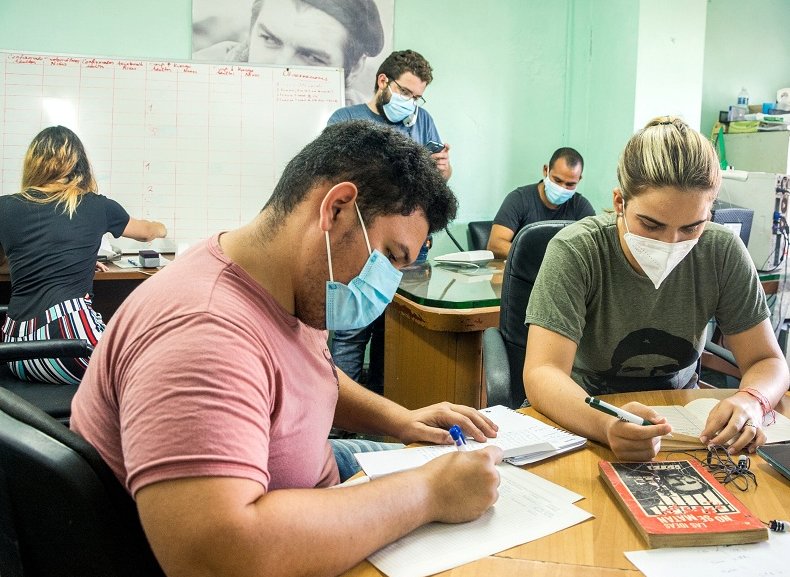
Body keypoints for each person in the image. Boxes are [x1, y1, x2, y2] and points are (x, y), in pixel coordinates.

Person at [70, 120, 503, 577]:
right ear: (336, 209)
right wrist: (426, 493)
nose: (389, 283)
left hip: (309, 475)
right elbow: (216, 558)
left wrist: (401, 420)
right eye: (391, 256)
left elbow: (306, 373)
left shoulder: (287, 280)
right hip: (256, 538)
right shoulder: (205, 332)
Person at [522, 116, 789, 462]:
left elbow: (768, 360)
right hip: (582, 424)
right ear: (620, 203)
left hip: (685, 431)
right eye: (651, 225)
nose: (671, 243)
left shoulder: (721, 252)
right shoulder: (577, 251)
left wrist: (752, 399)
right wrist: (605, 425)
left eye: (692, 227)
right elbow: (544, 372)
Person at [0, 126, 167, 386]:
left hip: (16, 351)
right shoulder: (96, 205)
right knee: (154, 366)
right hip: (70, 345)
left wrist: (79, 260)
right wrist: (161, 227)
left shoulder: (5, 207)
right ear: (78, 164)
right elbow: (146, 233)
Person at [327, 49, 451, 393]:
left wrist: (443, 170)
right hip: (360, 246)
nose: (411, 103)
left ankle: (385, 413)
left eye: (417, 96)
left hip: (410, 250)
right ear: (384, 81)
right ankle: (340, 419)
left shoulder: (422, 121)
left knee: (397, 332)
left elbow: (436, 180)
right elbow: (337, 179)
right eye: (406, 93)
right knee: (353, 332)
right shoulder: (345, 120)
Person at [192, 0, 384, 105]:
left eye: (311, 57)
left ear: (355, 68)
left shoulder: (365, 131)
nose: (278, 68)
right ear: (251, 32)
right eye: (269, 40)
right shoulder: (195, 84)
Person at [488, 147, 594, 259]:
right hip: (523, 269)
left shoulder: (580, 206)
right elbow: (495, 245)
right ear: (546, 170)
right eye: (557, 180)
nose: (562, 188)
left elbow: (594, 247)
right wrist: (537, 259)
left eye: (570, 184)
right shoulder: (519, 199)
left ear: (579, 179)